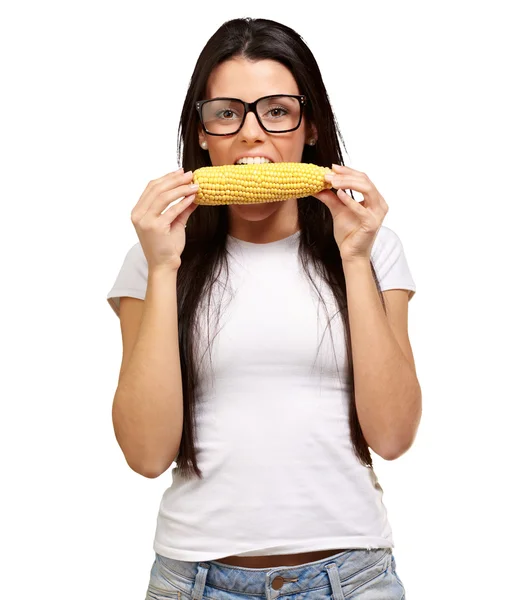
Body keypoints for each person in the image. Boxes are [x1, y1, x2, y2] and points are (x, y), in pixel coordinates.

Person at [106, 17, 419, 600]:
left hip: (352, 579)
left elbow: (395, 434)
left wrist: (355, 259)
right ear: (202, 134)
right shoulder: (154, 256)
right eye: (227, 112)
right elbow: (146, 454)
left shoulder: (374, 247)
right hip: (195, 581)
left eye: (277, 112)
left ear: (311, 128)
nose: (252, 135)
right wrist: (161, 267)